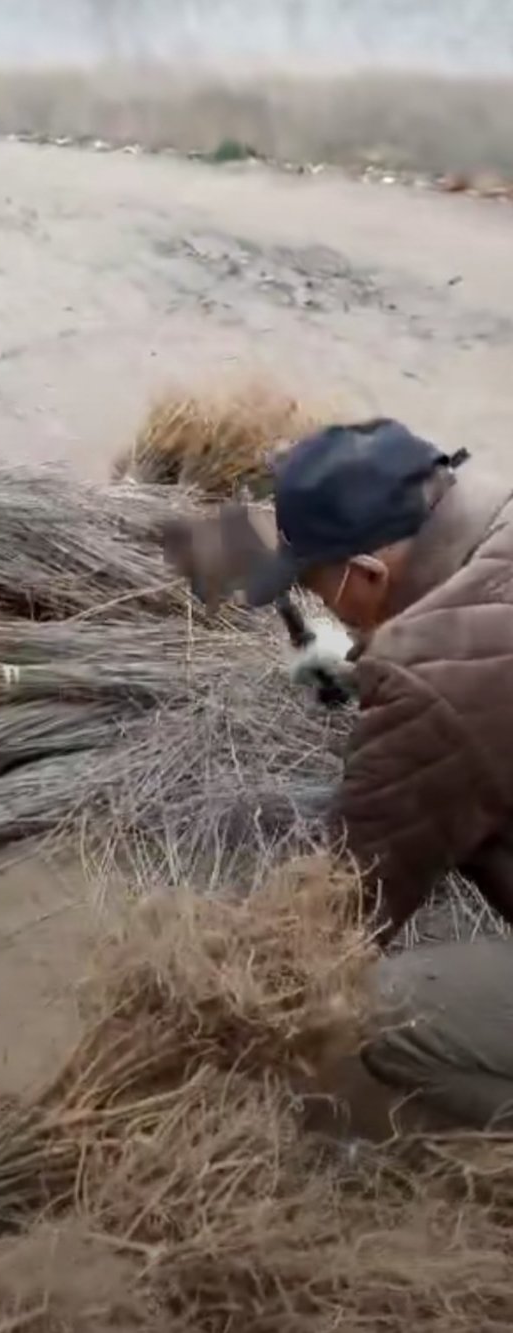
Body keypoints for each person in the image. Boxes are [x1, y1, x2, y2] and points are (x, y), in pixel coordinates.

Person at [166, 418, 513, 1129]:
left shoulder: (430, 686)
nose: (327, 614)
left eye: (319, 591)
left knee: (384, 1009)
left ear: (365, 576)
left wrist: (230, 990)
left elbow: (344, 918)